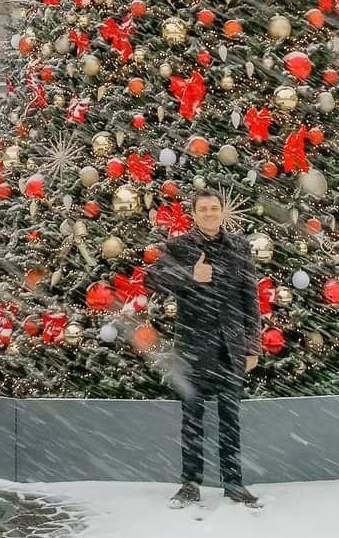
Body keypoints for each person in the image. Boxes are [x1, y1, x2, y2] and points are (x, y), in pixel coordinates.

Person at [144, 188, 263, 509]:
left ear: (223, 212)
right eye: (204, 209)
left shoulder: (239, 247)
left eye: (215, 208)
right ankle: (190, 484)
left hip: (230, 347)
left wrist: (252, 347)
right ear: (194, 214)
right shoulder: (180, 246)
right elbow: (152, 280)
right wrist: (189, 275)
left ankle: (234, 483)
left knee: (230, 418)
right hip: (192, 347)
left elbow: (250, 300)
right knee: (192, 418)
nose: (210, 213)